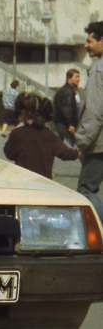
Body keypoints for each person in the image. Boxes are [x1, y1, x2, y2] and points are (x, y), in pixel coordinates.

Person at [4, 93, 79, 179]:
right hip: (43, 184)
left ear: (22, 112)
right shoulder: (48, 134)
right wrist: (80, 151)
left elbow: (9, 154)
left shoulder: (17, 133)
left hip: (23, 184)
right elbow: (66, 154)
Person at [75, 21, 103, 221]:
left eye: (89, 41)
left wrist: (82, 142)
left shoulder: (98, 70)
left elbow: (94, 111)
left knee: (86, 190)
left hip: (99, 145)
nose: (86, 45)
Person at [53, 69, 80, 146]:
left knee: (56, 146)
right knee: (76, 145)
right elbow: (67, 109)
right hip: (65, 125)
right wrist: (70, 124)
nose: (78, 79)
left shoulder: (62, 90)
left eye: (79, 77)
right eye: (76, 77)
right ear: (69, 78)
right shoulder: (68, 91)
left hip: (58, 123)